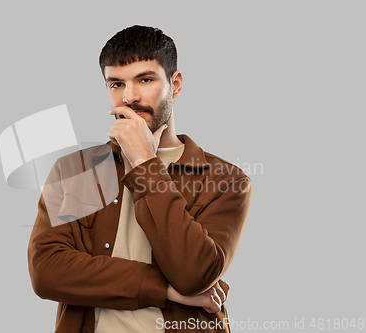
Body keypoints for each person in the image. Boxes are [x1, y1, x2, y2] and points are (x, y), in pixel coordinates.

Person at [28, 25, 252, 333]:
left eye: (145, 79)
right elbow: (47, 271)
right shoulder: (76, 170)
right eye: (116, 83)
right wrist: (165, 289)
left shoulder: (225, 180)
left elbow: (194, 274)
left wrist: (144, 162)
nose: (129, 97)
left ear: (175, 85)